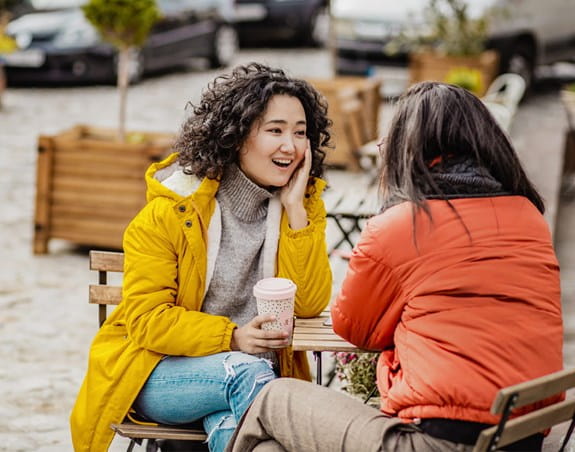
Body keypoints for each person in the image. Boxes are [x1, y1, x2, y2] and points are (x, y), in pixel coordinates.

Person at [225, 81, 564, 452]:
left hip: (438, 441)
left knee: (275, 398)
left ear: (407, 147)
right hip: (521, 438)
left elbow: (355, 328)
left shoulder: (404, 224)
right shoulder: (528, 216)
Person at [70, 63, 333, 452]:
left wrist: (296, 212)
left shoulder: (300, 210)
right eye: (275, 130)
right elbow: (147, 321)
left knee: (244, 434)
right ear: (237, 135)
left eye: (300, 133)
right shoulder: (171, 212)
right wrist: (234, 337)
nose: (290, 146)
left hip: (252, 381)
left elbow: (308, 306)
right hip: (158, 373)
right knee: (248, 373)